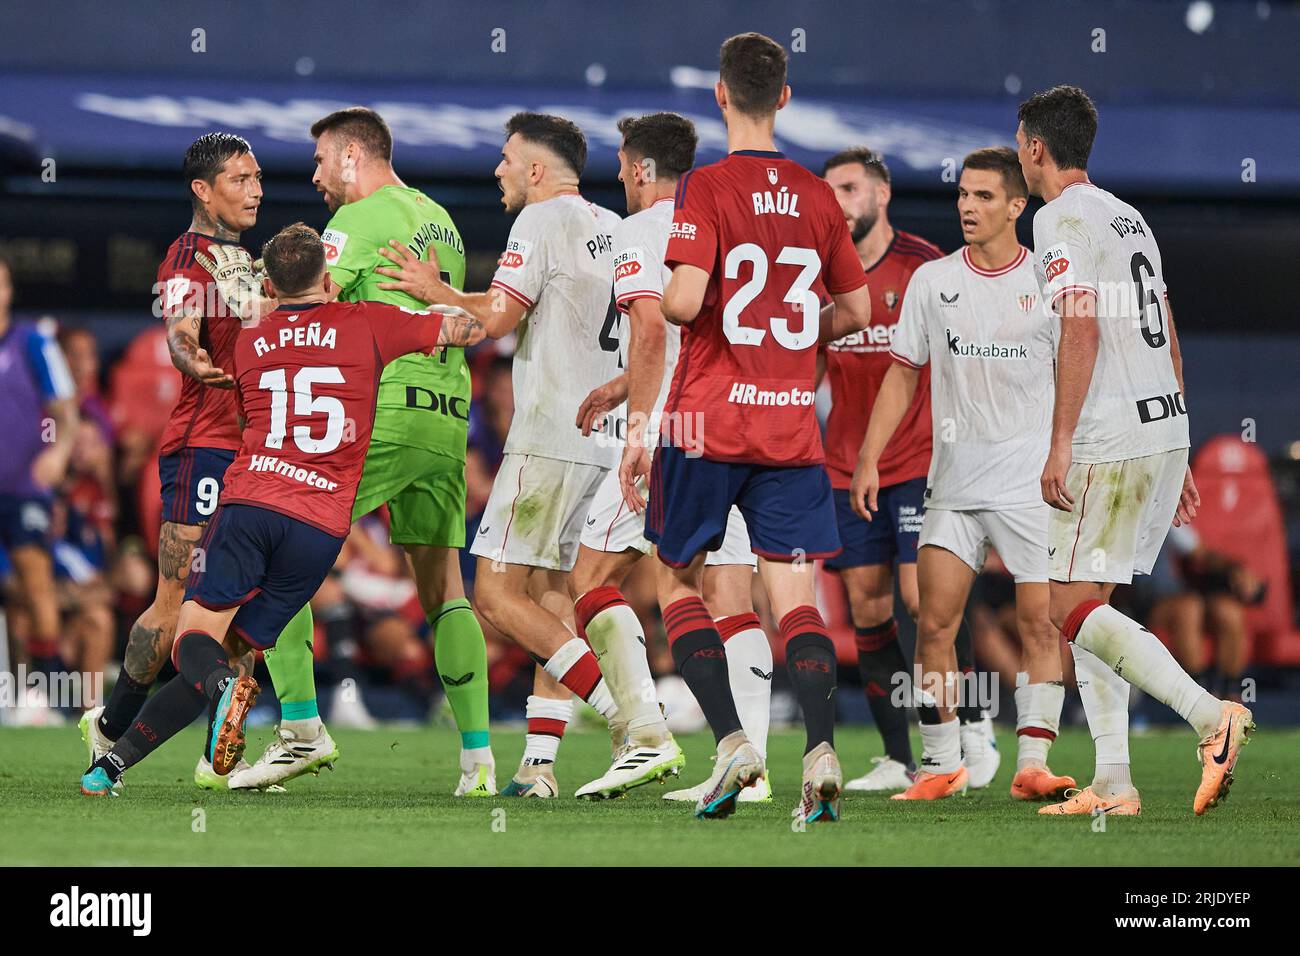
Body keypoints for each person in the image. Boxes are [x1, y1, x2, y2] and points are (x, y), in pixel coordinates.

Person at [80, 223, 484, 795]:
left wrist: (262, 307)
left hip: (252, 504)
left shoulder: (249, 339)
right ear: (328, 277)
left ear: (270, 281)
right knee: (236, 648)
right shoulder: (369, 321)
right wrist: (434, 291)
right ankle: (109, 768)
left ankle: (212, 699)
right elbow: (472, 327)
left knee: (195, 642)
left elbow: (250, 404)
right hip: (320, 529)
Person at [626, 33, 872, 820]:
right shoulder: (816, 193)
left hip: (707, 421)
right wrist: (792, 338)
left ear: (721, 96)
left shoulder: (706, 187)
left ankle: (733, 746)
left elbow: (685, 302)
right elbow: (860, 311)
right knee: (794, 594)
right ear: (786, 98)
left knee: (676, 579)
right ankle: (825, 750)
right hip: (790, 426)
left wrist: (679, 289)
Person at [231, 106, 495, 796]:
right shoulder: (439, 217)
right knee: (444, 589)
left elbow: (307, 302)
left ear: (352, 156)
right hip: (446, 424)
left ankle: (298, 731)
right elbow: (458, 317)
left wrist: (241, 297)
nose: (314, 175)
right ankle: (477, 761)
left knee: (276, 557)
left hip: (386, 413)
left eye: (321, 160)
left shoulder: (359, 218)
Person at [1017, 85, 1252, 816]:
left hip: (1109, 435)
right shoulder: (1129, 216)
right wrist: (1176, 442)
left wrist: (1060, 442)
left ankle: (1211, 717)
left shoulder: (1057, 217)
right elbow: (1168, 326)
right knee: (1094, 603)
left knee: (1065, 605)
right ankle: (1114, 781)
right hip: (1160, 424)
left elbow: (1080, 327)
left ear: (1034, 149)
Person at [375, 112, 623, 798]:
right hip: (604, 438)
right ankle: (539, 767)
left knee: (492, 593)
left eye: (508, 158)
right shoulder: (613, 228)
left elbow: (493, 323)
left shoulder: (540, 222)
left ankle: (633, 720)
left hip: (549, 435)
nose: (498, 171)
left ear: (538, 170)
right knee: (551, 598)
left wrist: (433, 299)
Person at [850, 147, 1075, 802]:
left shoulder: (1048, 284)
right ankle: (941, 765)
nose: (967, 207)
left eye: (982, 197)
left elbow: (1077, 378)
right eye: (962, 195)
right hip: (951, 485)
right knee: (934, 625)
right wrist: (870, 455)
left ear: (1016, 205)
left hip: (1031, 486)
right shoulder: (933, 281)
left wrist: (1070, 453)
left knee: (1040, 625)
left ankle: (1033, 762)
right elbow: (901, 372)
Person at [565, 111, 775, 802]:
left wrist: (639, 429)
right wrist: (624, 382)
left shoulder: (640, 229)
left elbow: (653, 325)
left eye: (624, 165)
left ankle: (649, 735)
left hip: (674, 431)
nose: (621, 176)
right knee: (731, 594)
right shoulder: (727, 218)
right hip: (742, 419)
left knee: (591, 580)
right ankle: (752, 771)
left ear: (639, 168)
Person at [81, 132, 267, 790]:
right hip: (204, 449)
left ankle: (229, 745)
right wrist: (200, 365)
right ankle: (111, 727)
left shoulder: (242, 260)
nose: (255, 190)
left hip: (251, 452)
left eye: (257, 177)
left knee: (239, 609)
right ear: (203, 189)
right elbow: (182, 335)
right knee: (174, 605)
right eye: (240, 179)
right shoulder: (188, 259)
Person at [820, 149, 1004, 791]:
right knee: (867, 610)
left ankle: (973, 725)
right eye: (828, 190)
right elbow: (809, 368)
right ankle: (903, 754)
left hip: (923, 461)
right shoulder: (818, 277)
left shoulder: (925, 268)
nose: (837, 201)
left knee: (928, 602)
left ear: (882, 194)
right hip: (848, 465)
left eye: (848, 188)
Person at [0, 257, 80, 689]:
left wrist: (59, 453)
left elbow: (65, 408)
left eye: (1, 284)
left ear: (10, 291)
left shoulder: (31, 341)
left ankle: (51, 692)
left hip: (24, 488)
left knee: (36, 582)